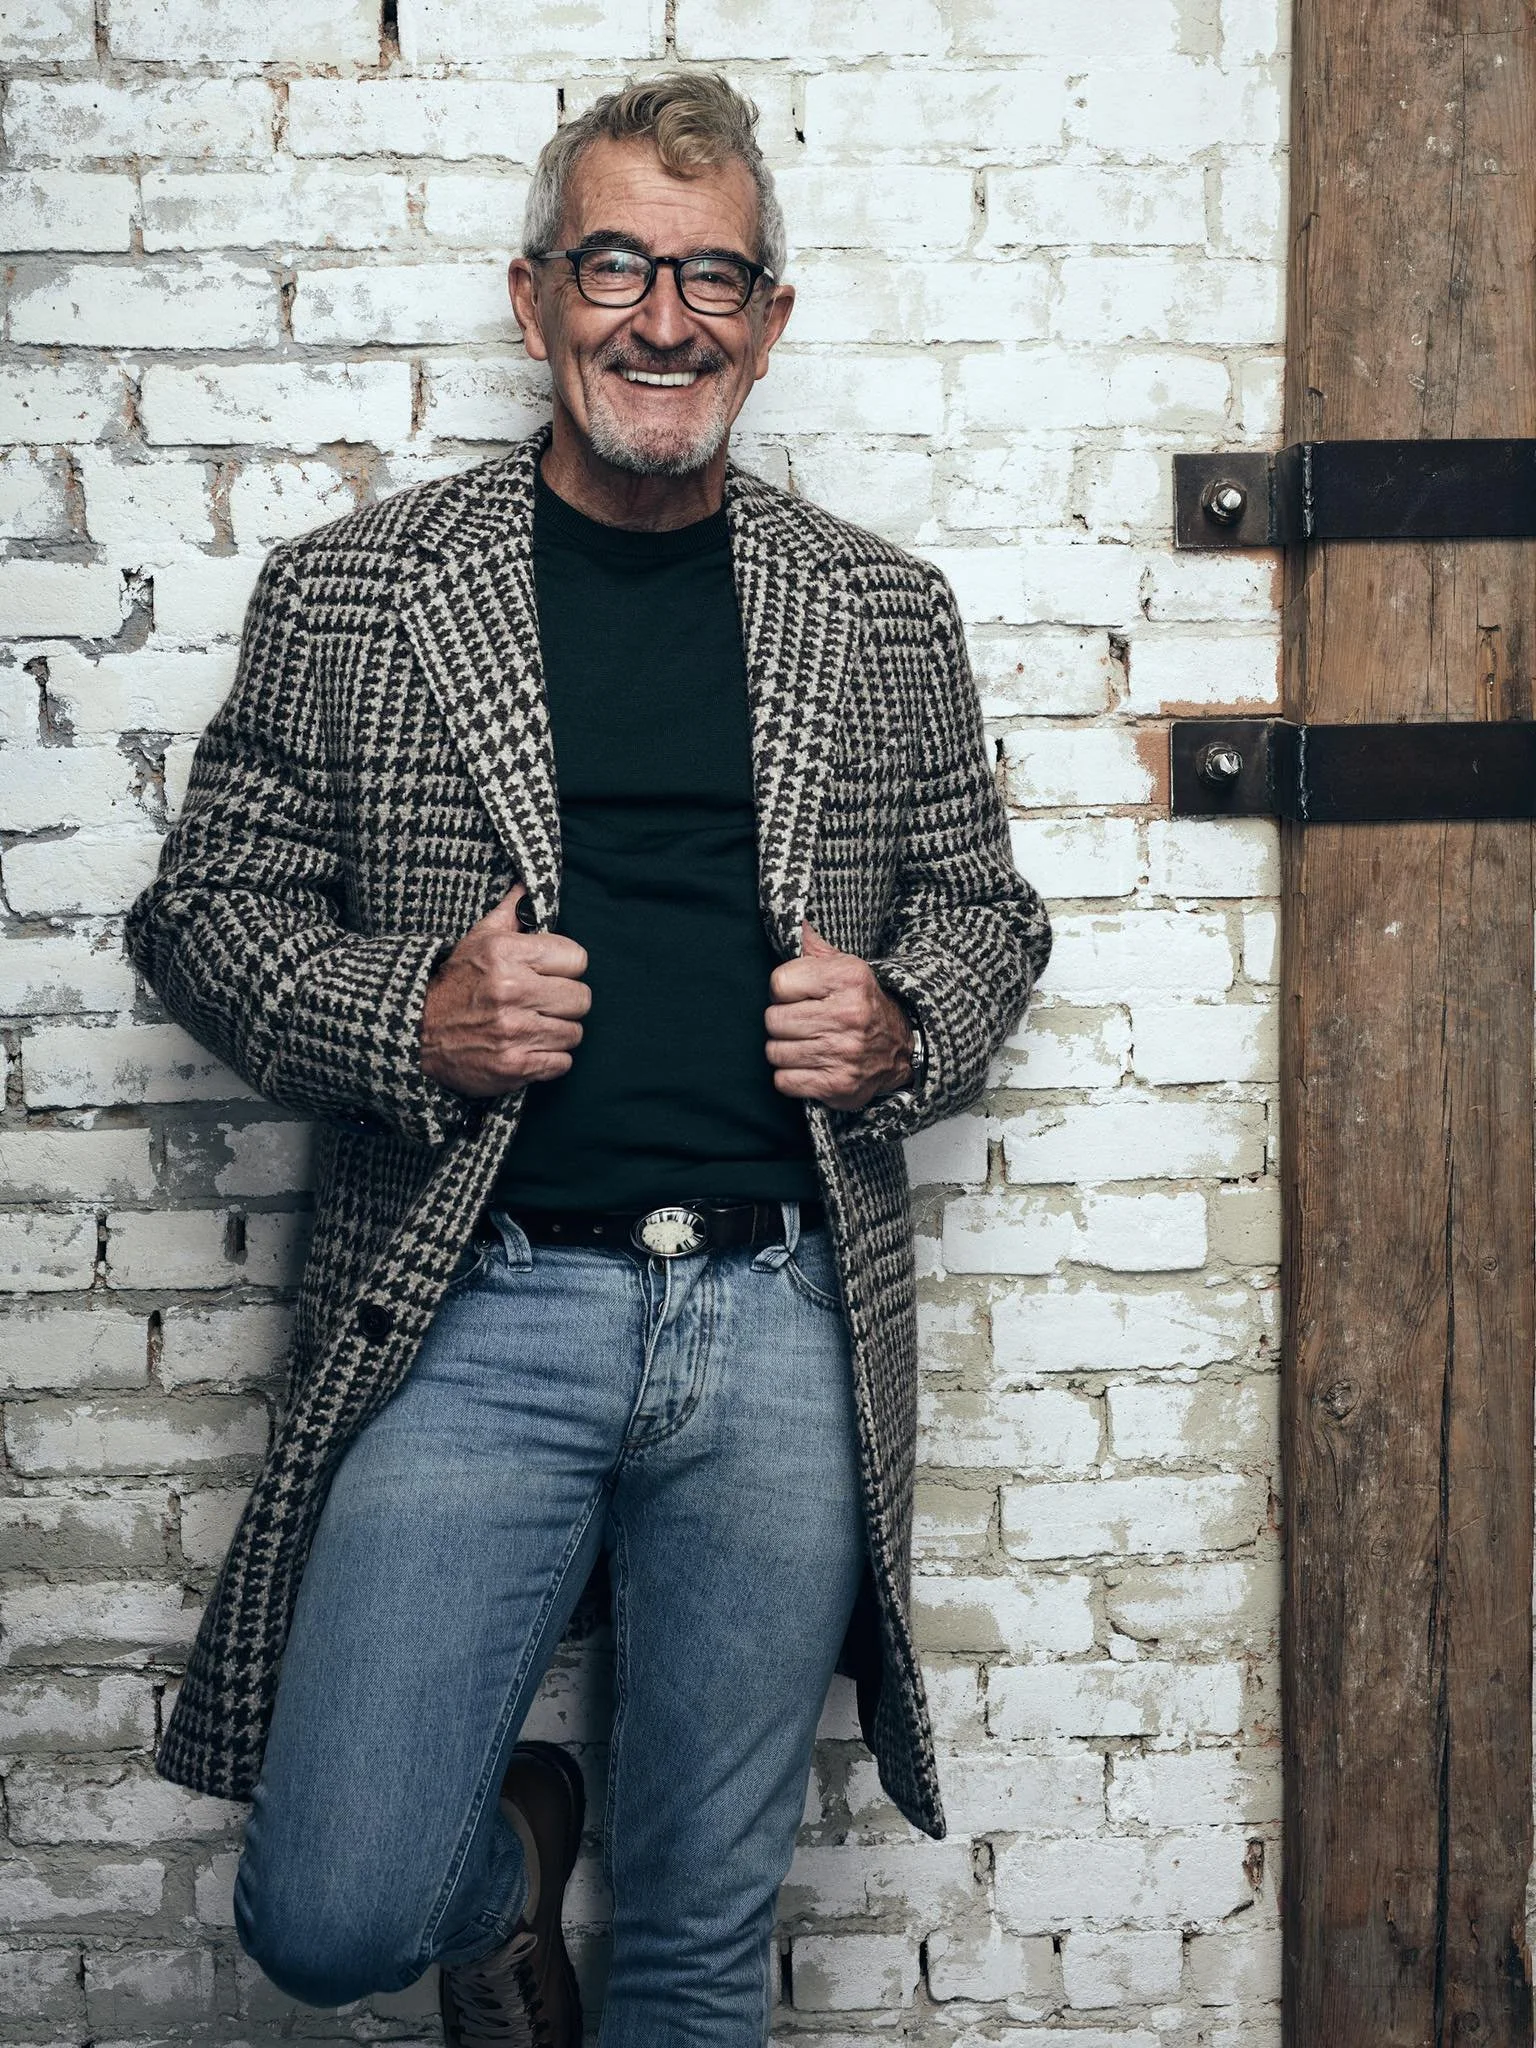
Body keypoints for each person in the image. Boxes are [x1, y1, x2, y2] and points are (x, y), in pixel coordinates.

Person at [124, 70, 1051, 2048]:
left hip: (784, 1316)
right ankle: (497, 1858)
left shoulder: (880, 614)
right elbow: (201, 915)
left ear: (770, 320)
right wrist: (413, 1015)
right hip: (479, 1305)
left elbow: (990, 917)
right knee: (337, 1904)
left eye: (715, 276)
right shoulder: (357, 592)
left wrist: (900, 1024)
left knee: (703, 1948)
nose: (666, 317)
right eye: (620, 262)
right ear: (537, 297)